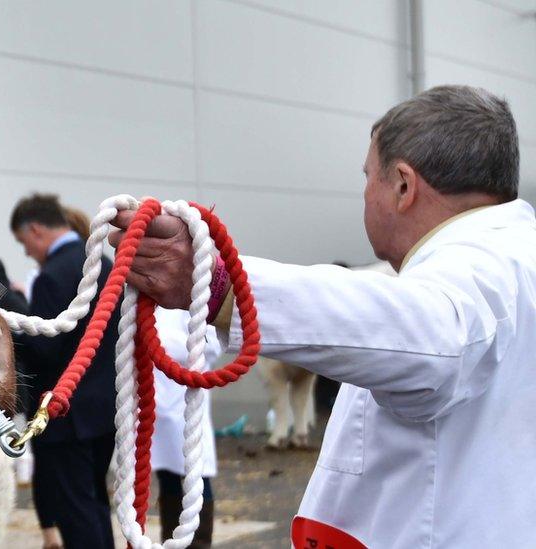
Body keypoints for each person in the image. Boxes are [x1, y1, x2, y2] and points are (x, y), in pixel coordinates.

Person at [109, 85, 534, 547]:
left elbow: (437, 336)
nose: (365, 193)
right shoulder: (513, 255)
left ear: (404, 187)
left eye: (368, 175)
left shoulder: (482, 272)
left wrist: (219, 286)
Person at [12, 193, 118, 549]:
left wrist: (9, 329)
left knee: (76, 511)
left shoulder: (52, 276)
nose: (27, 251)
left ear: (36, 230)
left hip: (65, 414)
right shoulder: (102, 265)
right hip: (104, 409)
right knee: (95, 503)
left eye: (24, 242)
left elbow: (45, 348)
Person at [152, 307, 220, 548]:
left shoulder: (193, 294)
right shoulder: (147, 298)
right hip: (157, 404)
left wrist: (156, 341)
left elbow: (212, 345)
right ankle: (171, 539)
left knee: (195, 474)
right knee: (167, 475)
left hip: (186, 401)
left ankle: (199, 542)